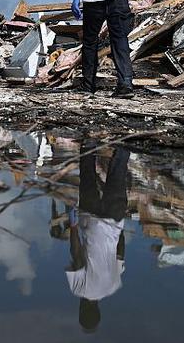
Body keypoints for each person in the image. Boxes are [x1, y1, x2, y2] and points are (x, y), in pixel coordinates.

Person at [65, 142, 130, 334]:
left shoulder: (113, 286)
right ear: (82, 309)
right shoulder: (79, 290)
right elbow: (76, 256)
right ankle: (88, 144)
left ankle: (124, 146)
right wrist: (73, 226)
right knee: (87, 177)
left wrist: (119, 227)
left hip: (113, 220)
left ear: (98, 310)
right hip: (90, 222)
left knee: (117, 177)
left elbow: (120, 253)